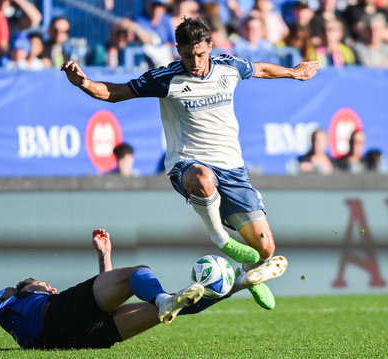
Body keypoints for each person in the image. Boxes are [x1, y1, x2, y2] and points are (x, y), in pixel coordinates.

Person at [62, 17, 319, 310]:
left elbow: (260, 68)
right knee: (202, 177)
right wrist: (83, 82)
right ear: (177, 50)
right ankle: (220, 238)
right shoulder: (165, 78)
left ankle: (248, 278)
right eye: (187, 55)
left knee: (265, 247)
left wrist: (293, 73)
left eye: (200, 54)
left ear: (210, 46)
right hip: (187, 164)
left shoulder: (229, 67)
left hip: (232, 168)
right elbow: (116, 92)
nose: (194, 62)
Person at [0, 228, 287, 349]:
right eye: (43, 283)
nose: (48, 284)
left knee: (168, 311)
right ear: (32, 286)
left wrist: (103, 258)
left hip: (78, 338)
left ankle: (238, 283)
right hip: (57, 320)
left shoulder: (31, 305)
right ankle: (164, 297)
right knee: (138, 274)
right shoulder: (18, 296)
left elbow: (101, 305)